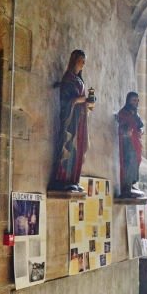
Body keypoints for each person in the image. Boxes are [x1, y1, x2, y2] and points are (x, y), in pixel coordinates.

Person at [50, 50, 92, 192]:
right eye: (82, 61)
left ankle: (73, 178)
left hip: (79, 119)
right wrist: (80, 100)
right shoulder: (68, 79)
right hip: (70, 120)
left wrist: (89, 102)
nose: (84, 64)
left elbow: (82, 100)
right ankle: (62, 178)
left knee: (78, 148)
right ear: (74, 60)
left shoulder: (80, 80)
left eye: (85, 61)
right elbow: (65, 101)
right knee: (68, 145)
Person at [116, 92, 144, 197]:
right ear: (128, 100)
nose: (135, 102)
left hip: (136, 142)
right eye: (133, 100)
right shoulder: (123, 113)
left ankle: (131, 183)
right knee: (129, 161)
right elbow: (120, 126)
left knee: (136, 161)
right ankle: (126, 186)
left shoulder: (136, 115)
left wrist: (141, 130)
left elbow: (142, 126)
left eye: (137, 100)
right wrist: (126, 130)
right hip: (127, 142)